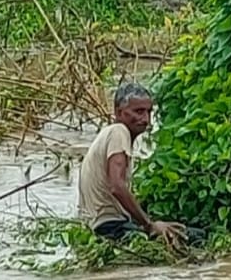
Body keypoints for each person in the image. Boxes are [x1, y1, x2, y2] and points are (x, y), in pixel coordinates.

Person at [77, 82, 191, 248]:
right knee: (193, 239)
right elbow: (116, 186)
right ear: (118, 112)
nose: (145, 119)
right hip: (110, 227)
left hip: (97, 225)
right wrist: (149, 224)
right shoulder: (119, 132)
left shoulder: (108, 134)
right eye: (138, 111)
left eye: (148, 112)